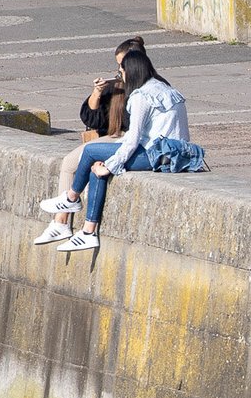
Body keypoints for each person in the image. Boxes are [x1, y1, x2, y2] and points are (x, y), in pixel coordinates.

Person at [35, 50, 192, 252]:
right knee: (97, 164)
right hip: (176, 154)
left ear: (132, 71)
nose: (120, 75)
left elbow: (133, 139)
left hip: (158, 156)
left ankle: (72, 199)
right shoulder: (165, 88)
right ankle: (88, 232)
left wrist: (111, 164)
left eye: (121, 70)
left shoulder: (141, 97)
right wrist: (107, 163)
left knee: (92, 151)